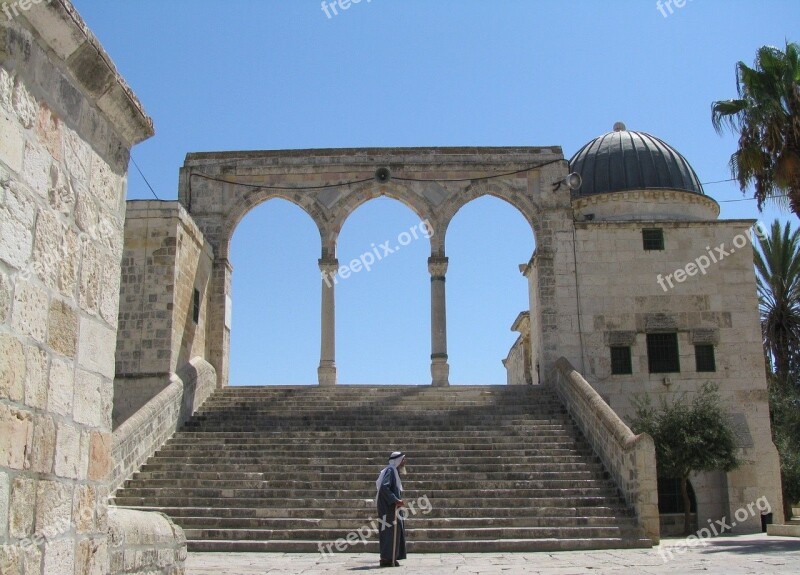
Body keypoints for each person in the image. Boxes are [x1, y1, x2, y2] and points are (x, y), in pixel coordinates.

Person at [376, 451, 407, 567]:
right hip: (388, 507)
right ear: (398, 460)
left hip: (391, 507)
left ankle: (391, 557)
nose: (404, 462)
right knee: (389, 531)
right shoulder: (390, 470)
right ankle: (386, 558)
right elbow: (384, 487)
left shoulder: (394, 472)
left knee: (395, 530)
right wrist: (395, 500)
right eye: (403, 459)